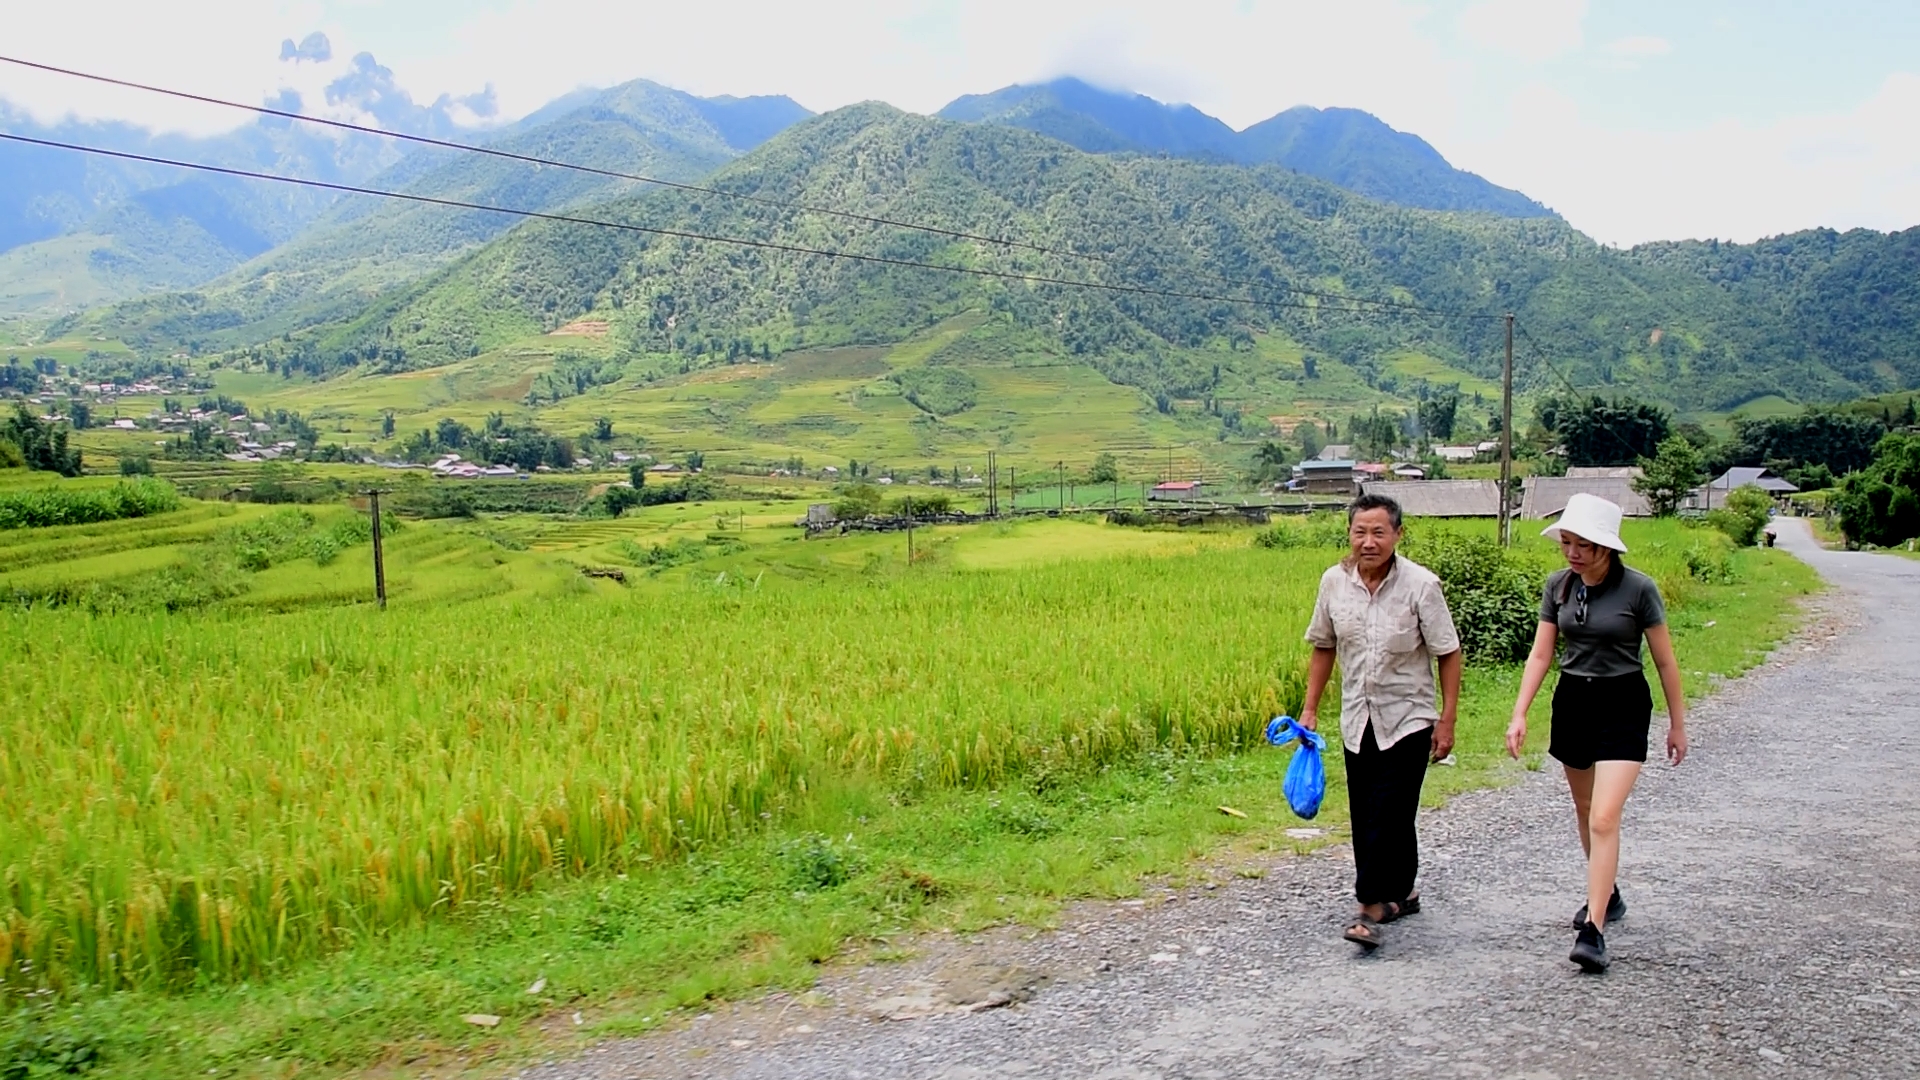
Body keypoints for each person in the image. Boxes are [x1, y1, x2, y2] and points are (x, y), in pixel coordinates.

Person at [1506, 493, 1688, 973]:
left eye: (1582, 545)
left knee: (1605, 817)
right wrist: (1520, 712)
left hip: (1623, 702)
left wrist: (1678, 722)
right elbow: (1542, 655)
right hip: (1574, 701)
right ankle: (1606, 890)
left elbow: (1665, 660)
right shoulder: (1558, 587)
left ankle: (1595, 930)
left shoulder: (1639, 590)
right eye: (1566, 542)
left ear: (1607, 547)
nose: (1572, 553)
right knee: (1586, 810)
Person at [1302, 492, 1463, 950]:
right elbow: (1323, 645)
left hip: (1409, 717)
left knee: (1387, 811)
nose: (1368, 542)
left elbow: (1448, 653)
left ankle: (1369, 907)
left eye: (1378, 532)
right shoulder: (1333, 582)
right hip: (1357, 716)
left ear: (1397, 534)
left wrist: (1446, 719)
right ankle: (1403, 892)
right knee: (1368, 812)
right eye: (1360, 532)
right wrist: (1311, 708)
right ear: (1349, 534)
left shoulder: (1421, 585)